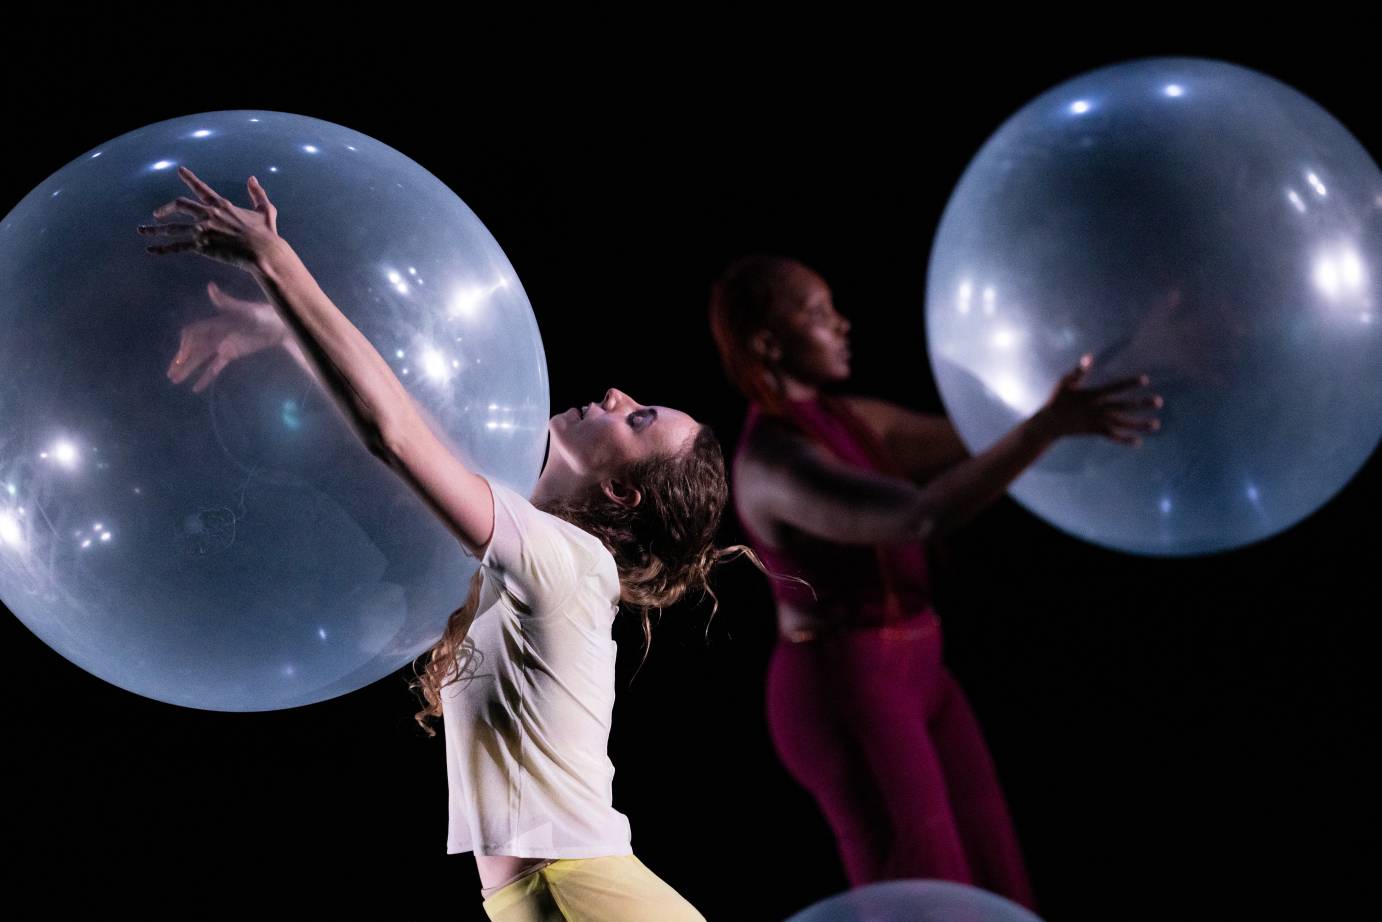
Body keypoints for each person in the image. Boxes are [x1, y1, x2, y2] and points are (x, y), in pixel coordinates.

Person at [140, 166, 744, 921]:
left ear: (624, 492)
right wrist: (280, 331)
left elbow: (395, 435)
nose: (619, 396)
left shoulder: (566, 560)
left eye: (640, 420)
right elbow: (406, 429)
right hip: (557, 894)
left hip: (586, 896)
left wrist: (276, 262)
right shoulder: (541, 555)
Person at [708, 254, 1164, 908]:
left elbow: (979, 438)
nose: (841, 325)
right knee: (929, 899)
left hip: (919, 664)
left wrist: (1132, 348)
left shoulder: (849, 418)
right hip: (845, 686)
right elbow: (921, 515)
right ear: (767, 342)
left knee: (998, 880)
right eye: (816, 313)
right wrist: (1049, 424)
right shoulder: (775, 462)